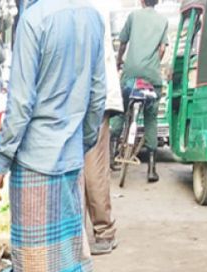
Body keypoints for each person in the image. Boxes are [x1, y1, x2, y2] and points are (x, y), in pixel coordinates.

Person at [0, 0, 107, 272]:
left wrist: (1, 160)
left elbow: (21, 102)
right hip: (70, 155)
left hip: (36, 158)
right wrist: (83, 141)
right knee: (72, 247)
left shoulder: (34, 21)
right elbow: (98, 94)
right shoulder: (92, 17)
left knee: (36, 255)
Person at [84, 0, 124, 255]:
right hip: (91, 94)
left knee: (92, 167)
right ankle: (91, 232)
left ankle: (104, 232)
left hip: (93, 97)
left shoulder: (90, 8)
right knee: (88, 166)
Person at [115, 0, 169, 183]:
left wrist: (119, 61)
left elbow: (123, 43)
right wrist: (153, 64)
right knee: (151, 117)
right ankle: (152, 170)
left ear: (141, 1)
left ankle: (111, 151)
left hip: (131, 74)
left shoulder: (133, 16)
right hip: (151, 78)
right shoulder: (163, 20)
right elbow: (162, 49)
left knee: (120, 109)